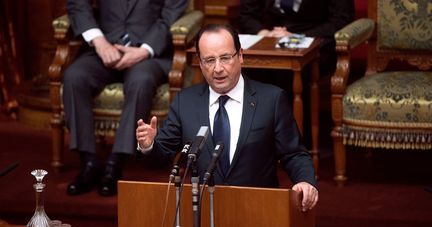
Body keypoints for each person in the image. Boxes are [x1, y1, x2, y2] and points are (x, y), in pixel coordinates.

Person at [136, 24, 318, 211]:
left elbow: (294, 153)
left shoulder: (271, 99)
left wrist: (305, 181)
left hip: (258, 210)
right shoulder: (185, 102)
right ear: (200, 63)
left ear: (240, 56)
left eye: (225, 58)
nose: (218, 68)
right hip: (204, 212)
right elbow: (161, 156)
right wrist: (148, 145)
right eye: (209, 60)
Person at [63, 0, 188, 196]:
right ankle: (88, 162)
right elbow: (77, 3)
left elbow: (171, 13)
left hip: (149, 54)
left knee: (141, 81)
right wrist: (100, 42)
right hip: (102, 47)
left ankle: (116, 162)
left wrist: (144, 51)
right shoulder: (100, 44)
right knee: (74, 77)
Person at [239, 0, 355, 76]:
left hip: (316, 42)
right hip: (270, 37)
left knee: (287, 72)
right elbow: (247, 14)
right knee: (244, 67)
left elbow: (341, 20)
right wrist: (263, 33)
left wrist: (296, 37)